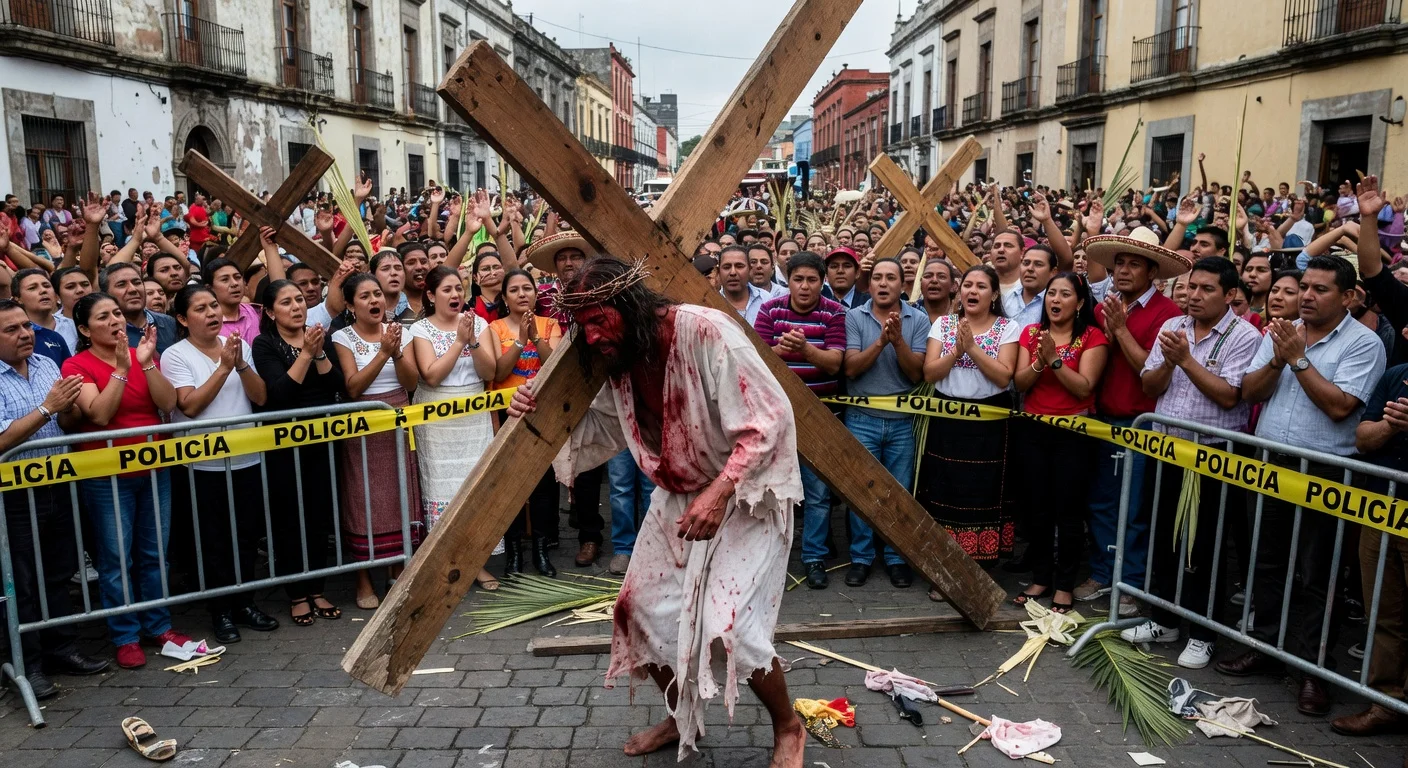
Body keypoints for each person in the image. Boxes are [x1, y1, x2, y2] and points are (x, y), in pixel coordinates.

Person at [509, 257, 806, 766]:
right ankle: (681, 715)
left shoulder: (707, 331)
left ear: (629, 304)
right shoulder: (619, 356)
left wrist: (721, 492)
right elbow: (599, 426)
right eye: (584, 328)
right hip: (678, 498)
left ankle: (789, 727)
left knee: (728, 625)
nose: (595, 336)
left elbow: (769, 420)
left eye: (601, 319)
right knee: (637, 612)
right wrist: (533, 408)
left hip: (747, 496)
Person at [1222, 255, 1387, 717]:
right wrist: (1278, 357)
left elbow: (1340, 407)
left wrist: (1296, 359)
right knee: (1267, 561)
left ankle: (1314, 668)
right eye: (1305, 287)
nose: (1308, 296)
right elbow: (1251, 391)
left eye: (1320, 289)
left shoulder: (1364, 344)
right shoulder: (1283, 331)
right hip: (1273, 463)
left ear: (1348, 296)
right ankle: (1266, 646)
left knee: (1321, 573)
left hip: (1328, 471)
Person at [1122, 257, 1262, 669]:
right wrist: (1168, 360)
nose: (1194, 296)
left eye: (1206, 289)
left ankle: (1203, 632)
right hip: (1168, 448)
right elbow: (1149, 385)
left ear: (1230, 294)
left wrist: (1185, 360)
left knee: (1206, 547)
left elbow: (1229, 396)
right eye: (1191, 287)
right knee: (1164, 539)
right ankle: (1163, 619)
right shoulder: (1172, 328)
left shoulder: (1244, 336)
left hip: (1214, 454)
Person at [63, 293, 190, 669]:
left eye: (117, 313)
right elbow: (99, 414)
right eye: (103, 317)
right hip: (107, 476)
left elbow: (168, 404)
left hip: (154, 469)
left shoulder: (142, 354)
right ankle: (125, 635)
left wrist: (146, 364)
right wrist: (120, 369)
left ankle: (158, 625)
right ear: (85, 329)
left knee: (155, 553)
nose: (115, 320)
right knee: (117, 557)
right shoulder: (76, 364)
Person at [1076, 227, 1188, 614]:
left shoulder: (1169, 315)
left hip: (1142, 424)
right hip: (1103, 418)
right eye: (1119, 263)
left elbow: (1150, 370)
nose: (1123, 271)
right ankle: (1103, 573)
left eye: (1133, 264)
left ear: (1152, 272)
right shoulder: (1103, 306)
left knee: (1136, 508)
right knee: (1101, 502)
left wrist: (1120, 331)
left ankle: (1133, 582)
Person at [0, 299, 108, 698]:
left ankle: (62, 648)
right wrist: (49, 408)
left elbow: (66, 420)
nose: (25, 334)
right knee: (22, 581)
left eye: (25, 326)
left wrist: (72, 411)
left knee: (58, 572)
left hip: (57, 484)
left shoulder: (46, 365)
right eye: (11, 330)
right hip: (13, 496)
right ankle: (26, 664)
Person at [163, 285, 279, 644]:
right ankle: (221, 611)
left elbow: (259, 396)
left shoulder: (236, 346)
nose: (212, 313)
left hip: (246, 457)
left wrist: (240, 363)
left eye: (214, 306)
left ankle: (245, 603)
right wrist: (222, 368)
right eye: (200, 308)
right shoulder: (175, 355)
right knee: (213, 541)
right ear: (183, 319)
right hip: (202, 465)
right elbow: (190, 406)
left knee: (245, 536)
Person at [1010, 273, 1108, 612]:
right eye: (1051, 293)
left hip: (1074, 434)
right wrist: (1040, 359)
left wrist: (1054, 360)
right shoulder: (1031, 334)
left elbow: (1084, 387)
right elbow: (1021, 383)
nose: (1055, 300)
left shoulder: (1093, 337)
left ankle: (1064, 584)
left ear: (1079, 303)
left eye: (1065, 294)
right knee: (1037, 508)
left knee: (1068, 511)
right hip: (1034, 430)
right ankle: (1041, 578)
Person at [252, 279, 344, 627]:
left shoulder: (322, 336)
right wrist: (305, 353)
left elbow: (337, 385)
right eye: (286, 302)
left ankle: (318, 588)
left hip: (322, 440)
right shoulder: (264, 344)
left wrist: (318, 352)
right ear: (271, 311)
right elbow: (280, 393)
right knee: (290, 518)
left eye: (300, 300)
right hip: (284, 445)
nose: (297, 306)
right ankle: (296, 594)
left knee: (319, 517)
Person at [754, 251, 847, 589]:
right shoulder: (770, 310)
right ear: (787, 280)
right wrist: (783, 350)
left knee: (819, 494)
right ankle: (768, 558)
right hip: (777, 416)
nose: (804, 286)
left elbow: (835, 363)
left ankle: (814, 557)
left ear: (822, 282)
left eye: (811, 280)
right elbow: (757, 360)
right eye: (798, 279)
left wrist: (805, 350)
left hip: (821, 416)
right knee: (771, 492)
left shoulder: (835, 312)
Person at [331, 273, 423, 609]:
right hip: (363, 426)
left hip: (399, 418)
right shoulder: (343, 336)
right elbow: (353, 387)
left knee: (401, 497)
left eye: (378, 295)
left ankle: (396, 570)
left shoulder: (403, 331)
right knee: (365, 500)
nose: (374, 301)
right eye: (365, 296)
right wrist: (383, 353)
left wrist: (397, 352)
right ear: (351, 305)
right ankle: (363, 578)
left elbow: (411, 381)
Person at [921, 264, 1019, 567]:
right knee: (944, 489)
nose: (972, 291)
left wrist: (972, 348)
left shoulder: (1008, 327)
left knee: (982, 492)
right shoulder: (944, 324)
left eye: (980, 286)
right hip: (946, 420)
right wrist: (956, 352)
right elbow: (929, 372)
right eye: (967, 285)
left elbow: (1004, 377)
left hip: (989, 426)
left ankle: (981, 565)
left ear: (993, 295)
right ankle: (945, 565)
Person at [407, 266, 498, 589]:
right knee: (442, 490)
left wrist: (472, 339)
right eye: (446, 289)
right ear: (431, 296)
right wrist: (458, 341)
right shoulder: (419, 330)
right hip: (438, 418)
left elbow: (490, 371)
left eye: (458, 288)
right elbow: (431, 375)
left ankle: (476, 562)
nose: (455, 295)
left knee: (474, 487)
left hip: (474, 414)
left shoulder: (480, 324)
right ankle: (444, 561)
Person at [843, 258, 929, 588]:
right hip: (861, 419)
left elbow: (915, 373)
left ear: (902, 285)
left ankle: (896, 558)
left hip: (902, 421)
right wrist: (880, 341)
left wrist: (898, 341)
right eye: (877, 277)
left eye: (890, 278)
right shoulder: (855, 316)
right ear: (869, 284)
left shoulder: (917, 319)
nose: (883, 283)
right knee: (861, 491)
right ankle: (861, 558)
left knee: (900, 493)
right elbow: (851, 368)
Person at [523, 232, 607, 565]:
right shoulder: (542, 297)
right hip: (547, 394)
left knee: (586, 466)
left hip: (589, 391)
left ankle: (590, 538)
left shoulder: (599, 294)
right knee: (545, 466)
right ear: (554, 266)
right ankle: (549, 535)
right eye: (562, 258)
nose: (568, 263)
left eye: (574, 256)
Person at [1337, 356, 1408, 736]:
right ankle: (1386, 703)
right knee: (1382, 611)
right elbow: (1362, 439)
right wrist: (1390, 426)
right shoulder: (1396, 376)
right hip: (1382, 511)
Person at [487, 269, 563, 575]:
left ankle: (541, 551)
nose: (522, 294)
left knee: (543, 485)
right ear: (504, 297)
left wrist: (534, 337)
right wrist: (519, 341)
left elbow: (555, 364)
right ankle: (514, 553)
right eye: (514, 290)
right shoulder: (493, 328)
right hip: (507, 413)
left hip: (542, 412)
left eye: (527, 288)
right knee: (510, 485)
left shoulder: (550, 325)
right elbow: (497, 373)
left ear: (535, 294)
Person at [100, 263, 178, 355]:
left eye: (137, 283)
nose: (133, 289)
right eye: (121, 285)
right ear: (106, 294)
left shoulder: (169, 323)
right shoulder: (104, 331)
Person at [13, 268, 76, 353]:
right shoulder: (16, 334)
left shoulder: (74, 326)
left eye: (47, 286)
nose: (43, 290)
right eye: (32, 288)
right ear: (18, 299)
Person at [1003, 246, 1056, 329]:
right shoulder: (1006, 298)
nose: (1030, 269)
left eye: (1038, 264)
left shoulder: (1055, 303)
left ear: (1053, 272)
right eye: (1026, 263)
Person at [469, 250, 508, 322]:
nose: (493, 273)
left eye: (497, 267)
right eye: (485, 269)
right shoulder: (470, 307)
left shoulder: (512, 302)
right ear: (475, 278)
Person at [914, 258, 957, 323]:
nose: (934, 280)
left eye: (941, 277)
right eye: (928, 276)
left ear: (953, 286)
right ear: (920, 283)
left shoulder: (963, 315)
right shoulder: (908, 313)